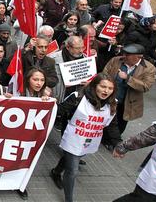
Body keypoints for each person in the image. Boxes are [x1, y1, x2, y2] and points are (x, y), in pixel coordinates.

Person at [51, 74, 121, 202]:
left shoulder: (112, 104)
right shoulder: (78, 98)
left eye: (110, 88)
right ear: (95, 86)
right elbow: (57, 111)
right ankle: (69, 199)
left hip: (90, 140)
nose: (106, 91)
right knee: (72, 170)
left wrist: (119, 144)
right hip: (73, 137)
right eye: (103, 86)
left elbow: (112, 126)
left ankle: (56, 171)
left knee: (74, 156)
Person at [102, 44, 155, 140]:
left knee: (120, 122)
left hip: (127, 102)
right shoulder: (116, 60)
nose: (124, 56)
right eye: (124, 53)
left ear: (139, 57)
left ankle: (112, 140)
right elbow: (104, 73)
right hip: (110, 98)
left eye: (128, 55)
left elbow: (146, 86)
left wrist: (128, 78)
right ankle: (101, 136)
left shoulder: (149, 68)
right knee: (105, 117)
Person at [52, 36, 86, 102]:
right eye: (77, 48)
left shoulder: (85, 60)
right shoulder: (53, 59)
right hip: (58, 98)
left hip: (76, 100)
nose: (81, 51)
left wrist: (87, 83)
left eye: (82, 47)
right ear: (68, 47)